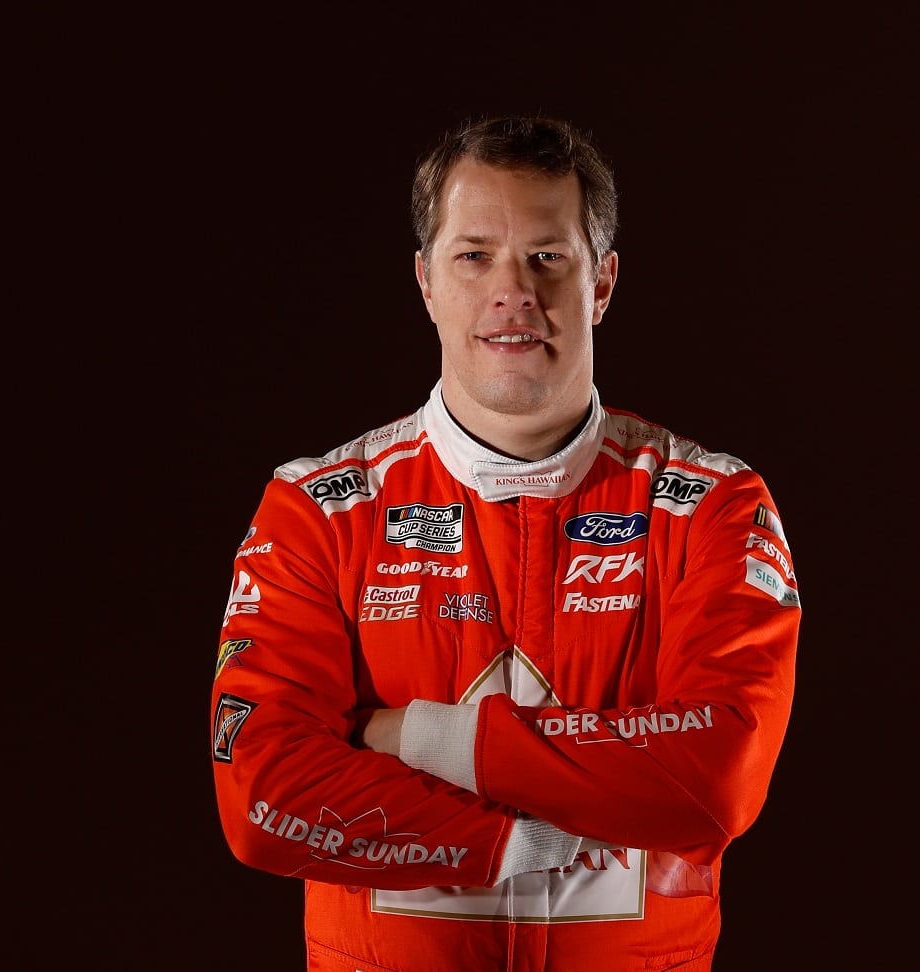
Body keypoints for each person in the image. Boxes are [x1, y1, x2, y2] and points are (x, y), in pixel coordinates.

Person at [211, 114, 800, 972]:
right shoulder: (318, 509)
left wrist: (410, 736)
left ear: (601, 283)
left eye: (548, 257)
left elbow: (714, 781)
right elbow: (262, 795)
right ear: (426, 283)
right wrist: (511, 845)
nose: (512, 290)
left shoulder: (711, 505)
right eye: (475, 254)